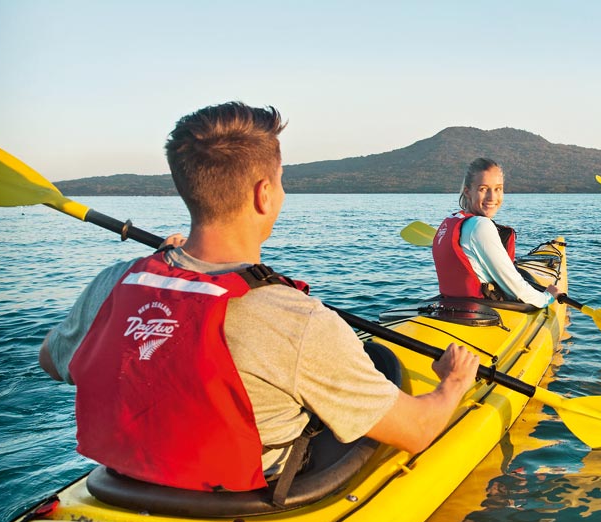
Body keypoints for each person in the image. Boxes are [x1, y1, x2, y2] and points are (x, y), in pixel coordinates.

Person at [38, 101, 479, 494]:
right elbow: (419, 431)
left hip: (123, 481)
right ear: (263, 194)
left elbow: (53, 361)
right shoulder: (296, 321)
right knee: (384, 366)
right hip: (249, 492)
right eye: (281, 182)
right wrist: (454, 381)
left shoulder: (113, 283)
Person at [432, 158, 562, 308]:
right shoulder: (480, 226)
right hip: (480, 313)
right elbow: (515, 288)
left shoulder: (452, 221)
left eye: (498, 189)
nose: (492, 197)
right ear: (468, 192)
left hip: (452, 307)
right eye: (483, 189)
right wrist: (547, 298)